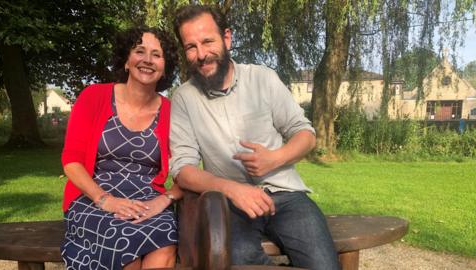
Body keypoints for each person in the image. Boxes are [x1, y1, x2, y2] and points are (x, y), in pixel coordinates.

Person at [170, 5, 341, 270]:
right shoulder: (183, 98)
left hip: (286, 195)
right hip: (229, 205)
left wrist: (275, 158)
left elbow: (305, 134)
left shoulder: (263, 78)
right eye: (191, 46)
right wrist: (232, 189)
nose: (201, 54)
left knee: (324, 264)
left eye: (207, 41)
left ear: (227, 38)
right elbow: (183, 170)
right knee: (235, 261)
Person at [60, 26, 182, 270]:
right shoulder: (93, 96)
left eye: (156, 55)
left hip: (148, 201)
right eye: (140, 51)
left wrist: (166, 198)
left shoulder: (173, 111)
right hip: (93, 197)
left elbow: (187, 167)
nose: (147, 60)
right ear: (126, 61)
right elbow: (71, 161)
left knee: (165, 247)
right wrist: (105, 200)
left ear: (164, 67)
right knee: (126, 252)